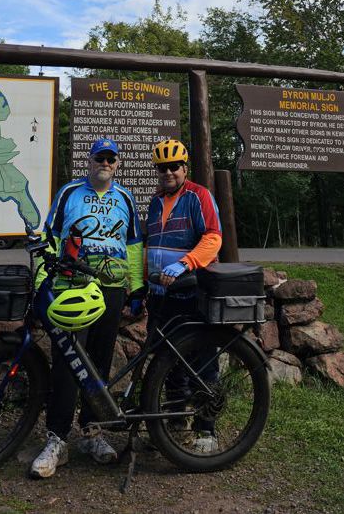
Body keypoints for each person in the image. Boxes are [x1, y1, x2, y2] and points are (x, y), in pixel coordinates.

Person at [30, 138, 144, 479]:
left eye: (111, 159)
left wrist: (136, 287)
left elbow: (134, 244)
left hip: (111, 289)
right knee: (68, 361)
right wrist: (40, 284)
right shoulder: (69, 193)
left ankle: (92, 433)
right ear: (90, 161)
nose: (105, 163)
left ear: (118, 164)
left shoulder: (125, 198)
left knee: (99, 359)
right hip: (73, 285)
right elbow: (49, 236)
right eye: (100, 158)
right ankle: (57, 439)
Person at [145, 138, 223, 453]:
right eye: (162, 168)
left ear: (184, 167)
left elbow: (214, 238)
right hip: (160, 294)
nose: (168, 172)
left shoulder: (198, 196)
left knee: (203, 360)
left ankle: (207, 429)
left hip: (192, 290)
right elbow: (149, 245)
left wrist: (184, 264)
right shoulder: (154, 202)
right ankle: (179, 418)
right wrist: (141, 286)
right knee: (167, 358)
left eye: (173, 166)